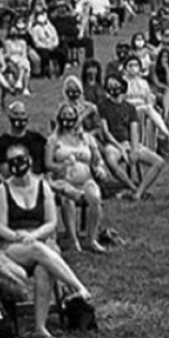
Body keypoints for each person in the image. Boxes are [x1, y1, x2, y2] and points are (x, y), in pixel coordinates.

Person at [0, 144, 85, 338]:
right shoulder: (2, 190)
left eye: (20, 158)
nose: (17, 164)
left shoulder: (43, 187)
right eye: (12, 161)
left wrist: (35, 235)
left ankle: (40, 327)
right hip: (13, 246)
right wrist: (20, 236)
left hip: (42, 240)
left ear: (29, 160)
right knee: (36, 249)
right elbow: (0, 227)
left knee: (44, 267)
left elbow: (51, 222)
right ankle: (77, 287)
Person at [45, 103, 107, 253]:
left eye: (71, 115)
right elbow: (47, 164)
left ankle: (92, 239)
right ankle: (73, 240)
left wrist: (100, 168)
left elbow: (97, 159)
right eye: (64, 115)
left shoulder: (86, 138)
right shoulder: (54, 140)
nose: (68, 119)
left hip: (86, 179)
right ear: (59, 118)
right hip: (64, 180)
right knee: (67, 198)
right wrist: (62, 166)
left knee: (95, 197)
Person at [99, 73, 167, 202]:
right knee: (110, 159)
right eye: (110, 86)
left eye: (115, 85)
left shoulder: (130, 108)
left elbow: (134, 131)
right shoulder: (103, 106)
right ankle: (132, 187)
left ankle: (139, 193)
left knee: (159, 162)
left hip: (129, 143)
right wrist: (121, 148)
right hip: (114, 145)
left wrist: (134, 149)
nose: (113, 88)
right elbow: (106, 132)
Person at [0, 102, 47, 183]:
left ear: (27, 116)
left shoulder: (37, 139)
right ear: (9, 116)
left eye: (23, 114)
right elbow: (6, 172)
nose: (20, 117)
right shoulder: (2, 143)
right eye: (16, 114)